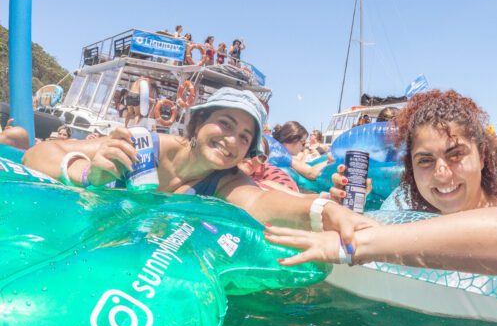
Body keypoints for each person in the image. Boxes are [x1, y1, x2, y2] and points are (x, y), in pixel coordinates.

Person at [266, 89, 497, 275]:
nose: (441, 172)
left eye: (455, 154)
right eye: (425, 160)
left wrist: (354, 245)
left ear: (484, 156)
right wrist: (343, 212)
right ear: (411, 169)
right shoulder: (403, 207)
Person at [22, 88, 367, 236]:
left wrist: (328, 209)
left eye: (245, 137)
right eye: (225, 124)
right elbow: (35, 155)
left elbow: (264, 201)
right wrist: (87, 172)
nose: (232, 140)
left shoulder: (226, 181)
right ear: (199, 123)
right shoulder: (147, 145)